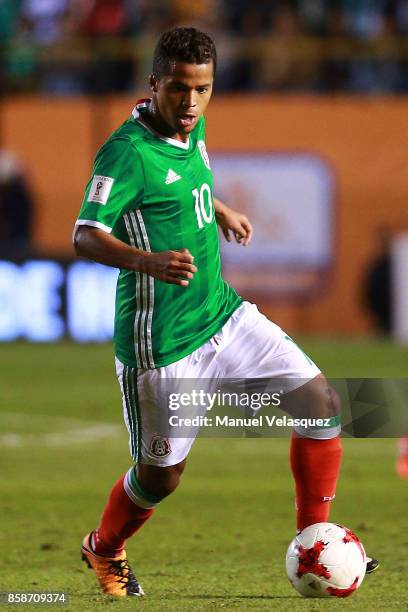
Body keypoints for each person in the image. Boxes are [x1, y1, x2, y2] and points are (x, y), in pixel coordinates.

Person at [73, 26, 378, 597]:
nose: (191, 103)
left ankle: (316, 541)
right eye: (180, 89)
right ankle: (105, 546)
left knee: (320, 402)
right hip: (161, 343)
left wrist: (220, 208)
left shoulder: (192, 125)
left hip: (223, 314)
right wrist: (150, 262)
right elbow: (85, 236)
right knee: (162, 477)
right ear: (154, 84)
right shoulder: (126, 153)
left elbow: (190, 179)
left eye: (203, 89)